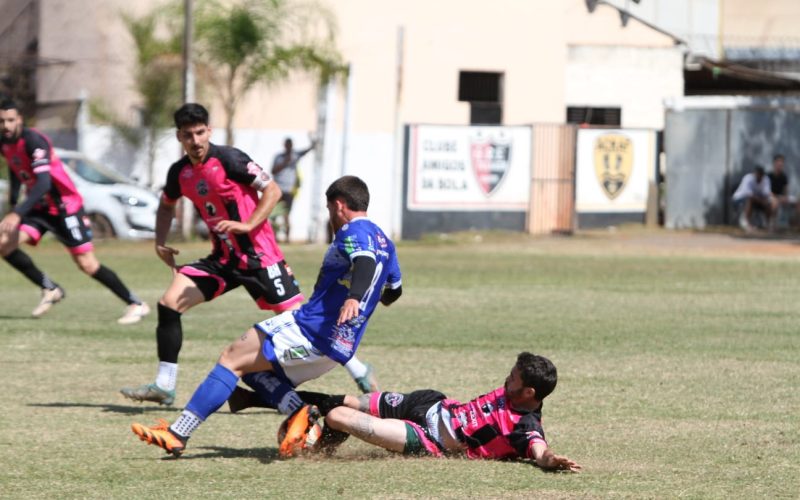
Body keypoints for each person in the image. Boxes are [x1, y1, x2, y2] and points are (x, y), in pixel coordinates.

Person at [130, 175, 402, 457]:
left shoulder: (353, 231)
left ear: (339, 205)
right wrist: (368, 297)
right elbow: (394, 291)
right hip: (339, 348)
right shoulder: (386, 242)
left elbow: (365, 261)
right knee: (254, 371)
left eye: (329, 209)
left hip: (309, 329)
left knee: (232, 357)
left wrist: (354, 296)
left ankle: (178, 433)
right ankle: (299, 411)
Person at [294, 352, 581, 472]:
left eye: (513, 378)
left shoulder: (524, 425)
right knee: (345, 401)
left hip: (428, 438)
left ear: (529, 392)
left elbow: (539, 450)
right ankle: (281, 398)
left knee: (338, 416)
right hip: (431, 402)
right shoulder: (514, 392)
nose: (507, 379)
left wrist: (551, 459)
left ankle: (316, 451)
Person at [0, 98, 149, 323]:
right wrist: (13, 204)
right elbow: (15, 170)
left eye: (10, 120)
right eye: (2, 121)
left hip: (65, 208)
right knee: (4, 244)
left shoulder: (34, 141)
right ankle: (50, 288)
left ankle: (136, 304)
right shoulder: (4, 143)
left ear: (19, 119)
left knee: (87, 264)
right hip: (40, 208)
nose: (6, 126)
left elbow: (44, 183)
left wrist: (17, 213)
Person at [271, 136, 316, 243]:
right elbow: (273, 171)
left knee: (286, 215)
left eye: (290, 145)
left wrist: (313, 143)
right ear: (284, 145)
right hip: (277, 189)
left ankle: (287, 238)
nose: (289, 147)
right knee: (274, 214)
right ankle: (274, 237)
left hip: (289, 190)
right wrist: (285, 163)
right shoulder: (278, 157)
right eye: (287, 145)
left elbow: (306, 151)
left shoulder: (295, 155)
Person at [732, 165, 773, 232]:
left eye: (760, 175)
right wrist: (761, 201)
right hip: (739, 199)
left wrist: (766, 201)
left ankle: (768, 224)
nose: (758, 177)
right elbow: (749, 195)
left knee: (769, 202)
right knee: (749, 200)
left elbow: (766, 194)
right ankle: (745, 222)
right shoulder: (748, 178)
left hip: (757, 200)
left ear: (762, 175)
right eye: (757, 174)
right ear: (754, 174)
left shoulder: (766, 179)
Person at [767, 154, 798, 228]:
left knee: (796, 202)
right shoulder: (769, 176)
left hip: (780, 197)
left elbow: (786, 190)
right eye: (779, 162)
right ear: (774, 163)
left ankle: (795, 224)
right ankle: (772, 224)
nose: (780, 164)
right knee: (774, 203)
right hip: (771, 197)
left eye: (782, 162)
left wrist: (785, 197)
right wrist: (775, 197)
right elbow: (767, 190)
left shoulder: (784, 176)